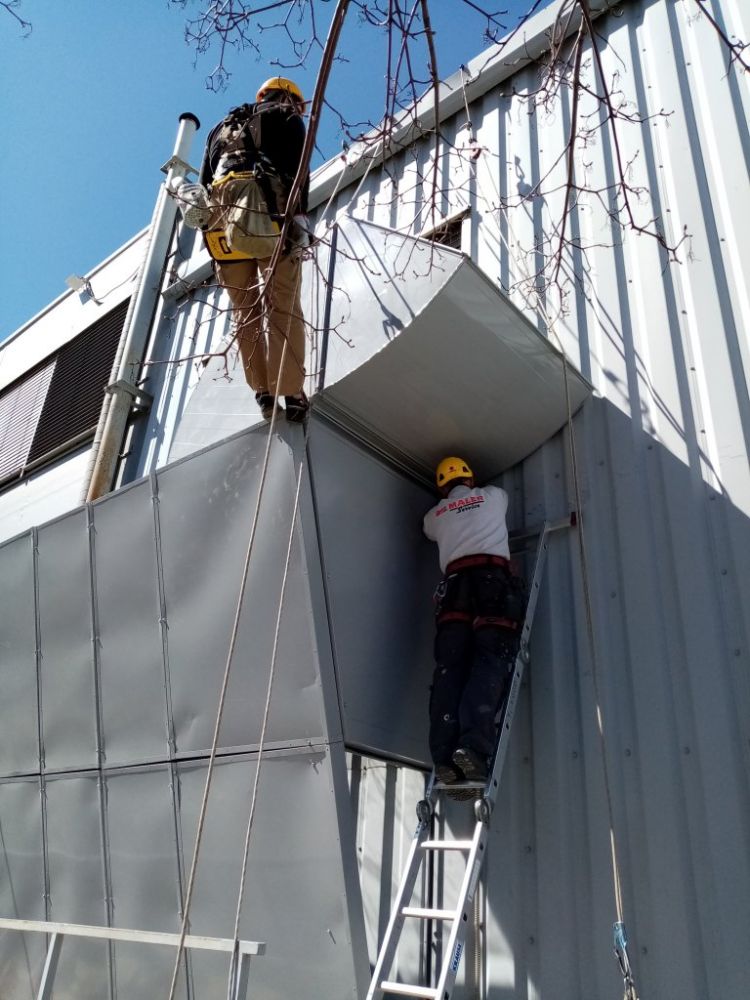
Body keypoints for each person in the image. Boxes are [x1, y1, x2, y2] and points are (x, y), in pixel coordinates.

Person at [199, 77, 310, 423]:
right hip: (267, 216)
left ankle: (262, 392)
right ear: (292, 100)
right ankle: (290, 391)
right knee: (283, 304)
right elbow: (297, 176)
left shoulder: (221, 127)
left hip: (222, 226)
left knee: (244, 311)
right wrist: (300, 224)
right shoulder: (287, 118)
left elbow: (205, 182)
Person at [422, 456, 524, 793]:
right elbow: (496, 501)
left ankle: (444, 756)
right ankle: (472, 749)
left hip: (454, 593)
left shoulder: (435, 515)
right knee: (488, 662)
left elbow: (427, 529)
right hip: (491, 584)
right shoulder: (493, 496)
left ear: (441, 486)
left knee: (450, 671)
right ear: (470, 476)